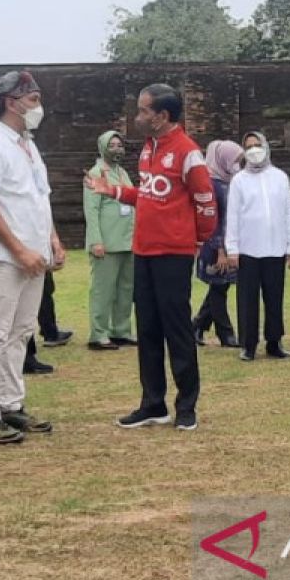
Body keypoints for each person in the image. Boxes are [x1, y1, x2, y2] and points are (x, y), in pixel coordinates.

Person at [87, 84, 218, 433]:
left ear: (161, 116)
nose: (138, 117)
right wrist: (111, 190)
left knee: (177, 332)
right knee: (147, 331)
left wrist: (199, 240)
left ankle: (186, 406)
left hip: (173, 254)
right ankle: (153, 404)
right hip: (142, 251)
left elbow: (206, 202)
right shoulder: (148, 150)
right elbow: (147, 195)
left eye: (144, 111)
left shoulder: (188, 152)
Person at [0, 70, 64, 444]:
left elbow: (39, 198)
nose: (38, 106)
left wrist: (52, 239)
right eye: (33, 99)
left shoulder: (27, 144)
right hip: (6, 256)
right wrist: (18, 249)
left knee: (21, 332)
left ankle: (10, 403)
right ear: (11, 102)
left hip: (33, 255)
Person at [225, 132, 290, 362]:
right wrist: (232, 247)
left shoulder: (279, 177)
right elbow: (233, 216)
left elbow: (288, 212)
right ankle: (248, 345)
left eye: (258, 145)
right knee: (247, 299)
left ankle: (274, 341)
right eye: (249, 147)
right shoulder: (239, 180)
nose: (254, 150)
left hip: (275, 247)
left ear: (266, 147)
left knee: (274, 297)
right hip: (248, 248)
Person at [83, 130, 136, 351]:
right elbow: (91, 211)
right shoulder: (96, 173)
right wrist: (96, 240)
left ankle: (121, 330)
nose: (116, 149)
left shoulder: (122, 173)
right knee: (103, 290)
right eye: (112, 145)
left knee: (125, 289)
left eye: (119, 145)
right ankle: (99, 333)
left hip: (127, 241)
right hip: (106, 242)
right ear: (103, 146)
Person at [192, 140, 243, 349]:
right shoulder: (212, 184)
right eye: (235, 160)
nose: (238, 164)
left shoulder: (228, 181)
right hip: (216, 245)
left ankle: (197, 324)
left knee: (219, 286)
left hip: (227, 242)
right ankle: (225, 333)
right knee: (219, 286)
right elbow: (213, 220)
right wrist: (220, 250)